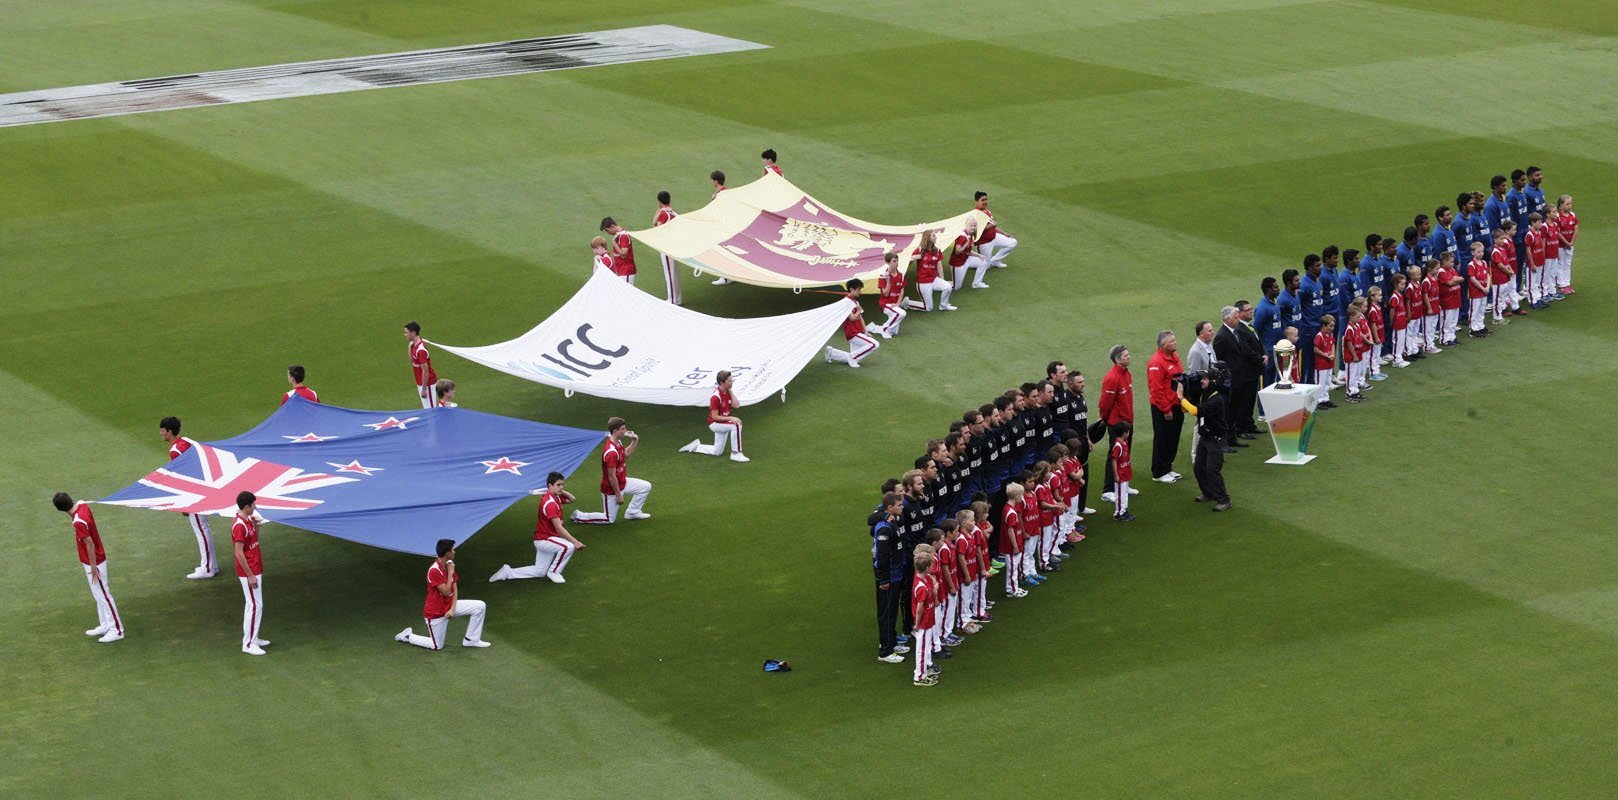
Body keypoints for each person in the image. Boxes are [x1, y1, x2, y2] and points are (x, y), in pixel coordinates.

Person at [53, 492, 124, 643]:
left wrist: (93, 568)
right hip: (92, 561)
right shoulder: (82, 505)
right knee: (98, 595)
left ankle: (117, 630)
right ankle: (105, 625)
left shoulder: (78, 522)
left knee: (104, 596)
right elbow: (82, 503)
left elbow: (89, 543)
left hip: (95, 562)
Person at [396, 539, 491, 649]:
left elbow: (454, 589)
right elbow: (446, 592)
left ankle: (471, 640)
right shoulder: (434, 571)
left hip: (448, 606)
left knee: (479, 606)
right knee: (436, 645)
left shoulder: (449, 564)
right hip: (436, 612)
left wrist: (452, 609)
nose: (454, 552)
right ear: (447, 553)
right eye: (453, 550)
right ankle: (408, 636)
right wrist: (450, 572)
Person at [489, 472, 583, 584]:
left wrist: (561, 491)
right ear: (550, 485)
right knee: (568, 547)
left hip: (544, 538)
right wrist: (575, 542)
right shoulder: (550, 504)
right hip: (545, 539)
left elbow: (572, 499)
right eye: (558, 485)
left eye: (562, 484)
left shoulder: (555, 498)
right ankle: (554, 572)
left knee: (539, 571)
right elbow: (559, 529)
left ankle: (507, 572)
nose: (561, 487)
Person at [160, 416, 216, 579]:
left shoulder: (175, 451)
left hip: (196, 494)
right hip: (204, 489)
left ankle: (207, 569)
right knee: (204, 528)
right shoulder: (186, 441)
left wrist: (185, 504)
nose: (161, 434)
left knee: (201, 529)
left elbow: (184, 477)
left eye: (163, 431)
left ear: (170, 432)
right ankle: (211, 565)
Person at [572, 417, 652, 524]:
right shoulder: (611, 453)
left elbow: (626, 454)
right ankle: (579, 516)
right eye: (623, 429)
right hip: (611, 489)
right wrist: (618, 495)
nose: (626, 431)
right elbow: (611, 476)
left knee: (645, 487)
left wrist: (635, 440)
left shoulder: (618, 442)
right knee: (609, 518)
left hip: (622, 481)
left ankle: (633, 512)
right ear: (615, 431)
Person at [1213, 306, 1263, 448]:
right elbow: (1219, 361)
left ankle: (1232, 437)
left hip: (1240, 377)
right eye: (1235, 317)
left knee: (1235, 410)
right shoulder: (1222, 337)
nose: (1238, 319)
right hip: (1230, 380)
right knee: (1228, 411)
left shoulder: (1236, 332)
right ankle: (1225, 440)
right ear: (1227, 319)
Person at [679, 371, 749, 462]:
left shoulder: (728, 392)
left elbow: (736, 405)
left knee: (717, 452)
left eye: (732, 380)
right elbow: (715, 417)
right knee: (736, 425)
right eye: (729, 381)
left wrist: (730, 391)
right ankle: (736, 453)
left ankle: (695, 446)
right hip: (715, 424)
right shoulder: (715, 397)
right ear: (721, 383)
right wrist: (731, 418)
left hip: (722, 423)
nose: (732, 382)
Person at [232, 491, 270, 655]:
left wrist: (256, 527)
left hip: (255, 567)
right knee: (255, 605)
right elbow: (239, 553)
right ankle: (248, 644)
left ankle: (253, 638)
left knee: (253, 605)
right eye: (253, 504)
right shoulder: (239, 526)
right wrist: (250, 575)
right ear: (246, 506)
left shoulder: (247, 521)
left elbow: (253, 542)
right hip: (250, 571)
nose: (255, 506)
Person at [1146, 330, 1185, 483]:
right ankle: (1159, 471)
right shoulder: (1156, 363)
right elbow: (1156, 390)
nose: (1175, 343)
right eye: (1172, 341)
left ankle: (1167, 467)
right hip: (1164, 407)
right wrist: (1166, 409)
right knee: (1163, 438)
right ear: (1163, 345)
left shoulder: (1174, 357)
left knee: (1173, 437)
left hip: (1176, 404)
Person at [1190, 368, 1231, 511]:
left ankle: (1224, 500)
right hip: (1205, 436)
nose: (1202, 381)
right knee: (1199, 467)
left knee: (1212, 469)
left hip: (1215, 438)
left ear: (1212, 381)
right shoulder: (1206, 394)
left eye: (1205, 379)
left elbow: (1197, 411)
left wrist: (1181, 398)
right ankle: (1208, 493)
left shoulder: (1216, 399)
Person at [1097, 345, 1135, 499]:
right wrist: (1106, 420)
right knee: (1114, 456)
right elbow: (1105, 404)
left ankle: (1123, 484)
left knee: (1125, 455)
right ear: (1118, 359)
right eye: (1125, 355)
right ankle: (1108, 490)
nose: (1129, 357)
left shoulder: (1127, 373)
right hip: (1117, 424)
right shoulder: (1112, 378)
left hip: (1127, 421)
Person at [873, 492, 905, 663]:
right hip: (889, 577)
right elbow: (883, 557)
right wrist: (883, 580)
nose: (902, 507)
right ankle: (885, 651)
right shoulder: (884, 527)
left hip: (896, 574)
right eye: (899, 505)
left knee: (892, 612)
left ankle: (891, 642)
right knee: (886, 613)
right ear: (890, 507)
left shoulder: (893, 521)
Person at [826, 280, 881, 368]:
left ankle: (832, 353)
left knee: (853, 356)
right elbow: (852, 318)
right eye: (858, 289)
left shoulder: (856, 302)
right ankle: (852, 358)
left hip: (858, 332)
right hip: (852, 333)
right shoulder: (846, 302)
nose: (860, 291)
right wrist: (858, 310)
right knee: (874, 344)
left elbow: (861, 318)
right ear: (851, 289)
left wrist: (865, 331)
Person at [903, 231, 956, 312]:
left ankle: (944, 306)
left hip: (934, 279)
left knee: (948, 287)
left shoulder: (937, 250)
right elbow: (907, 262)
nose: (936, 237)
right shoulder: (919, 249)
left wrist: (942, 279)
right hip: (923, 282)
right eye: (934, 236)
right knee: (928, 308)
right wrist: (914, 257)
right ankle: (907, 302)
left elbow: (939, 265)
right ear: (928, 238)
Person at [910, 545, 939, 686]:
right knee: (921, 649)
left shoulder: (924, 579)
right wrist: (916, 624)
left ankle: (924, 671)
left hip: (928, 619)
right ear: (927, 568)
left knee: (925, 647)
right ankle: (919, 677)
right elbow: (920, 608)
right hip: (923, 622)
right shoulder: (920, 586)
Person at [971, 191, 1017, 268]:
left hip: (994, 237)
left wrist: (1004, 233)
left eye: (986, 199)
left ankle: (995, 261)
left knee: (1012, 243)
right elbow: (977, 230)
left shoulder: (987, 211)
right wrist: (991, 225)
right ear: (976, 201)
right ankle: (965, 262)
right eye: (982, 200)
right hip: (984, 243)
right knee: (986, 265)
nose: (985, 202)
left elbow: (993, 226)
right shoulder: (975, 214)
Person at [867, 252, 907, 339]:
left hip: (894, 304)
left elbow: (902, 291)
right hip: (885, 303)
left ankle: (872, 327)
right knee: (902, 313)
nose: (896, 263)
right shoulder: (883, 276)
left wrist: (898, 303)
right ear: (888, 263)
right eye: (894, 261)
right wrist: (888, 281)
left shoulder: (901, 275)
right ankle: (884, 329)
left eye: (897, 261)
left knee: (894, 332)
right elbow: (885, 294)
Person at [653, 191, 682, 305]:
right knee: (674, 273)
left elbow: (656, 226)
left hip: (666, 247)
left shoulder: (664, 214)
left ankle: (672, 300)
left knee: (669, 273)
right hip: (673, 245)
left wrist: (659, 211)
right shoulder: (674, 213)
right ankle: (677, 298)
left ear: (659, 201)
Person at [1490, 228, 1522, 322]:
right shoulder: (1495, 251)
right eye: (1500, 239)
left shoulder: (1502, 249)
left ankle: (1500, 314)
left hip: (1504, 278)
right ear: (1495, 240)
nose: (1503, 241)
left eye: (1503, 238)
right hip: (1498, 278)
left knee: (1502, 296)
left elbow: (1506, 263)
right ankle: (1497, 317)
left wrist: (1510, 269)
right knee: (1497, 298)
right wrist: (1509, 272)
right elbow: (1500, 265)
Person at [950, 218, 991, 290]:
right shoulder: (962, 237)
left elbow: (968, 251)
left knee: (984, 261)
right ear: (966, 225)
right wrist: (966, 243)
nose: (973, 227)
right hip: (957, 263)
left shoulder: (970, 234)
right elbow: (957, 251)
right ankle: (941, 283)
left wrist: (979, 255)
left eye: (974, 225)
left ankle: (977, 283)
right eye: (971, 225)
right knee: (956, 287)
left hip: (966, 259)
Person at [404, 321, 438, 409]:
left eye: (407, 332)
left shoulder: (421, 350)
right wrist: (409, 346)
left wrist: (424, 389)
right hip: (420, 381)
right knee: (427, 408)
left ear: (413, 333)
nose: (405, 335)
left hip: (427, 383)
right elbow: (412, 360)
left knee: (431, 409)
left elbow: (425, 371)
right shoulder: (414, 345)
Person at [1435, 253, 1464, 346]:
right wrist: (1455, 279)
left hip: (1455, 299)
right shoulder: (1441, 271)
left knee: (1453, 321)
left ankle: (1452, 336)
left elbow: (1461, 279)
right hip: (1447, 301)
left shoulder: (1452, 269)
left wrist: (1455, 279)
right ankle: (1444, 339)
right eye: (1451, 261)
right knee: (1446, 321)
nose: (1453, 263)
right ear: (1444, 262)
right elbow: (1449, 283)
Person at [709, 171, 732, 285]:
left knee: (722, 251)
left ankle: (725, 278)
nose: (712, 182)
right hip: (727, 225)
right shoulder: (726, 191)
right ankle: (729, 276)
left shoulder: (720, 194)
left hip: (721, 226)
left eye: (712, 180)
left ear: (716, 181)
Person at [1464, 242, 1492, 338]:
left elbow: (1488, 275)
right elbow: (1473, 279)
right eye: (1478, 252)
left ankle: (1480, 326)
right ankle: (1473, 329)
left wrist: (1487, 287)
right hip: (1476, 292)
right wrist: (1482, 288)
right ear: (1473, 253)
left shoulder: (1484, 263)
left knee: (1481, 309)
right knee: (1474, 310)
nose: (1481, 254)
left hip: (1484, 292)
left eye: (1482, 251)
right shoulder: (1471, 265)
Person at [1109, 423, 1135, 522]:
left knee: (1124, 494)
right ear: (1124, 433)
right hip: (1120, 475)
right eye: (1128, 432)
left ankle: (1123, 510)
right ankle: (1118, 513)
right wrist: (1116, 475)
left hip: (1125, 473)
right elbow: (1114, 460)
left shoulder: (1124, 443)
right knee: (1120, 494)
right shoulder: (1118, 446)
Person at [601, 217, 637, 286]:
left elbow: (624, 254)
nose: (608, 233)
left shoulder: (623, 236)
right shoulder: (619, 235)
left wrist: (614, 243)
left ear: (612, 226)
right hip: (622, 270)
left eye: (607, 230)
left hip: (626, 271)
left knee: (626, 294)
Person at [1524, 212, 1550, 309]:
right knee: (1531, 282)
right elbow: (1528, 250)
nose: (1541, 224)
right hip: (1533, 263)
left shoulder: (1538, 233)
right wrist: (1532, 264)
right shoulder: (1529, 235)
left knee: (1537, 282)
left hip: (1540, 261)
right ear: (1533, 223)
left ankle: (1538, 298)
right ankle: (1532, 301)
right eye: (1539, 222)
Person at [1311, 316, 1336, 408]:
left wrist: (1333, 354)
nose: (1332, 328)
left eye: (1333, 326)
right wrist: (1326, 356)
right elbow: (1316, 349)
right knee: (1320, 383)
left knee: (1327, 382)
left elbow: (1333, 344)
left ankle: (1325, 399)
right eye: (1330, 326)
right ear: (1323, 326)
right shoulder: (1319, 336)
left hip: (1329, 363)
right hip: (1321, 364)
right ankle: (1318, 401)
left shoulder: (1330, 334)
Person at [1556, 194, 1578, 295]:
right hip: (1560, 245)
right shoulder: (1558, 217)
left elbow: (1576, 229)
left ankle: (1567, 283)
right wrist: (1566, 242)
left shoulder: (1572, 215)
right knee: (1560, 264)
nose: (1570, 206)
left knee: (1567, 264)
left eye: (1570, 204)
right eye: (1567, 204)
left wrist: (1572, 242)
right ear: (1561, 205)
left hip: (1570, 245)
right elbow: (1558, 232)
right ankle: (1561, 285)